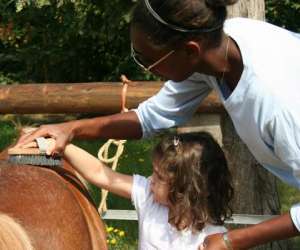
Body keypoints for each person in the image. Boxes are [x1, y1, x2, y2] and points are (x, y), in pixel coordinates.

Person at [17, 0, 300, 249]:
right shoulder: (216, 47)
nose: (147, 68)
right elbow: (150, 117)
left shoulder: (278, 106)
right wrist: (71, 130)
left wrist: (231, 240)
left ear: (190, 51)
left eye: (148, 60)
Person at [26, 132, 233, 250]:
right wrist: (63, 146)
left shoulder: (213, 238)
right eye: (153, 172)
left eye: (160, 177)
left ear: (186, 190)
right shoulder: (148, 197)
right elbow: (101, 173)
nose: (151, 179)